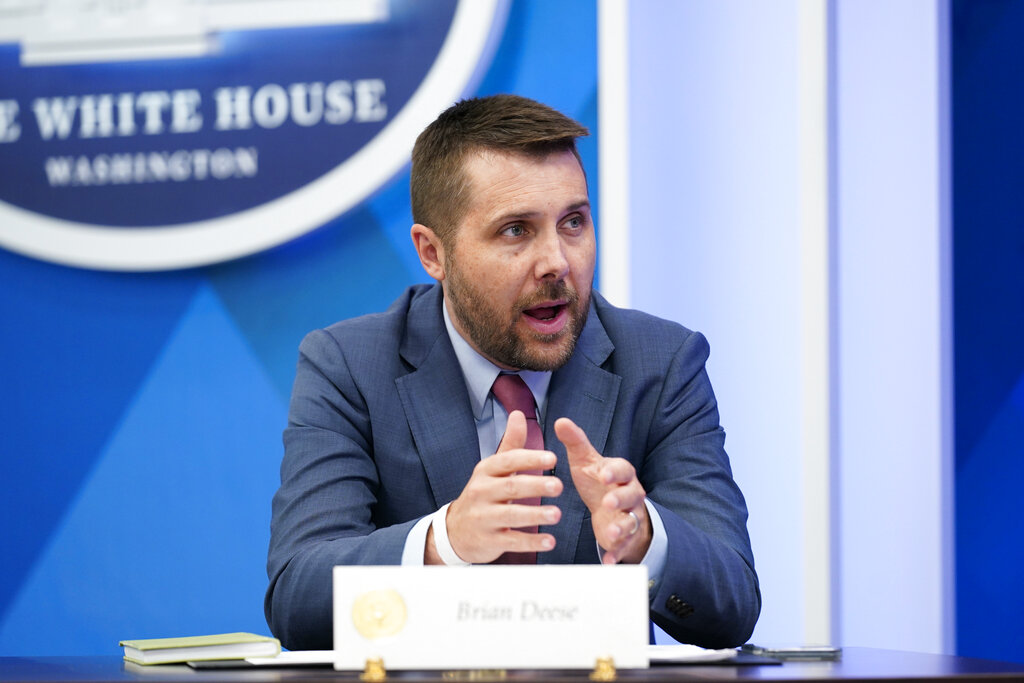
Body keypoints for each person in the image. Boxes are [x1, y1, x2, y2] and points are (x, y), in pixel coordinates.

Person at [265, 94, 760, 651]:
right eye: (516, 231)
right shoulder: (349, 366)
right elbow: (296, 595)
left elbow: (735, 603)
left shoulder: (662, 362)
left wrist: (646, 536)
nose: (557, 261)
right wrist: (445, 542)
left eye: (573, 222)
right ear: (433, 254)